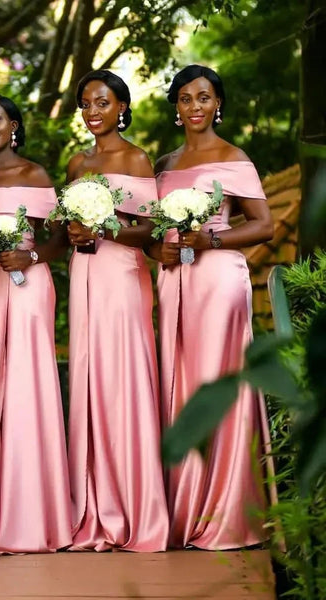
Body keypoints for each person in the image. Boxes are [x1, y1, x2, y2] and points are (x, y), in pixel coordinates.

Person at [152, 64, 275, 550]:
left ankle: (225, 511)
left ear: (217, 103)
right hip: (174, 279)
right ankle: (181, 508)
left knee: (213, 383)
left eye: (203, 97)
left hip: (219, 280)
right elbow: (152, 230)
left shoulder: (234, 158)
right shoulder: (163, 164)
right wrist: (155, 248)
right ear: (176, 107)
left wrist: (213, 237)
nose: (195, 106)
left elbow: (263, 225)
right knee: (177, 385)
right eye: (185, 98)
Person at [0, 92, 72, 554]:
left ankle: (32, 511)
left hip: (28, 283)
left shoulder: (36, 174)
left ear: (13, 124)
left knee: (27, 383)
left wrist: (29, 254)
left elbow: (60, 238)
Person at [65, 70, 169, 552]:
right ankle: (93, 504)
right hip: (84, 275)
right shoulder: (75, 163)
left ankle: (138, 505)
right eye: (86, 103)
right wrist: (77, 234)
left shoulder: (137, 158)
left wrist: (106, 230)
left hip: (124, 277)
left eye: (102, 103)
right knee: (89, 378)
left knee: (125, 377)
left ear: (122, 107)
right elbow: (67, 226)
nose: (93, 112)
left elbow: (149, 232)